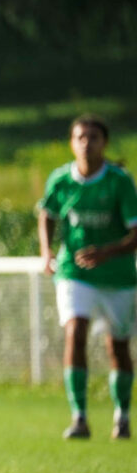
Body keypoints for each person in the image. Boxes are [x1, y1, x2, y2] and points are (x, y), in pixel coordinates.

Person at [38, 114, 137, 440]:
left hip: (117, 276)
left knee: (117, 347)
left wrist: (106, 252)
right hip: (73, 271)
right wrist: (47, 251)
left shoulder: (119, 182)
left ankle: (122, 416)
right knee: (75, 332)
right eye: (80, 137)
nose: (86, 143)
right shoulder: (61, 180)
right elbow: (47, 214)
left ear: (104, 143)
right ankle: (79, 416)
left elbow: (135, 234)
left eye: (93, 137)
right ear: (71, 142)